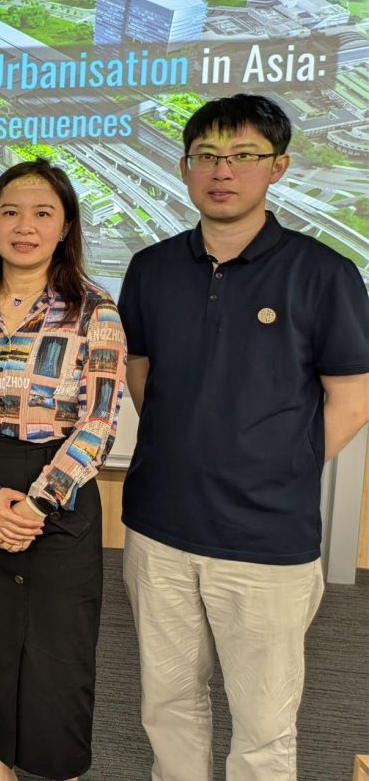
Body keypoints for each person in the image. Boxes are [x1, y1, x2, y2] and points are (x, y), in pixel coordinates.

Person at [118, 94, 369, 781]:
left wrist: (276, 464)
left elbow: (352, 397)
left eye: (244, 156)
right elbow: (141, 373)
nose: (222, 171)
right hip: (158, 529)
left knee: (262, 725)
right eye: (207, 157)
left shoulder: (324, 273)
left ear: (278, 167)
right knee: (166, 706)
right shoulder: (151, 268)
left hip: (265, 541)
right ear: (185, 167)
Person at [0, 158, 127, 781]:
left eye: (42, 213)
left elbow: (101, 420)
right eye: (10, 212)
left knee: (59, 654)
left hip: (62, 493)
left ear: (65, 226)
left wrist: (38, 501)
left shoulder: (94, 310)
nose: (25, 226)